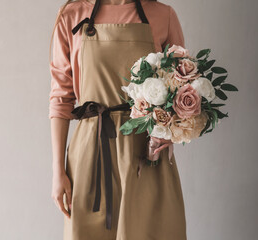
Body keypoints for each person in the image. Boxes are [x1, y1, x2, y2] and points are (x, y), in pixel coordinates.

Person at [48, 0, 187, 239]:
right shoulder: (71, 15)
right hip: (90, 155)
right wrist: (58, 170)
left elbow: (181, 87)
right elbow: (61, 99)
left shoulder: (163, 15)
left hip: (146, 154)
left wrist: (170, 128)